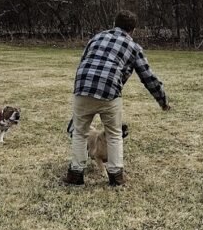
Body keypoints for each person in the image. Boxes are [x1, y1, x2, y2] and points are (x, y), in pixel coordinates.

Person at [64, 10, 170, 187]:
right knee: (114, 134)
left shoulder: (96, 38)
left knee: (79, 133)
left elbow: (84, 60)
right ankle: (116, 176)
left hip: (82, 86)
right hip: (110, 92)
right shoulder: (134, 47)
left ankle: (75, 175)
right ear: (133, 30)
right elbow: (148, 77)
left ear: (114, 24)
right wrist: (163, 101)